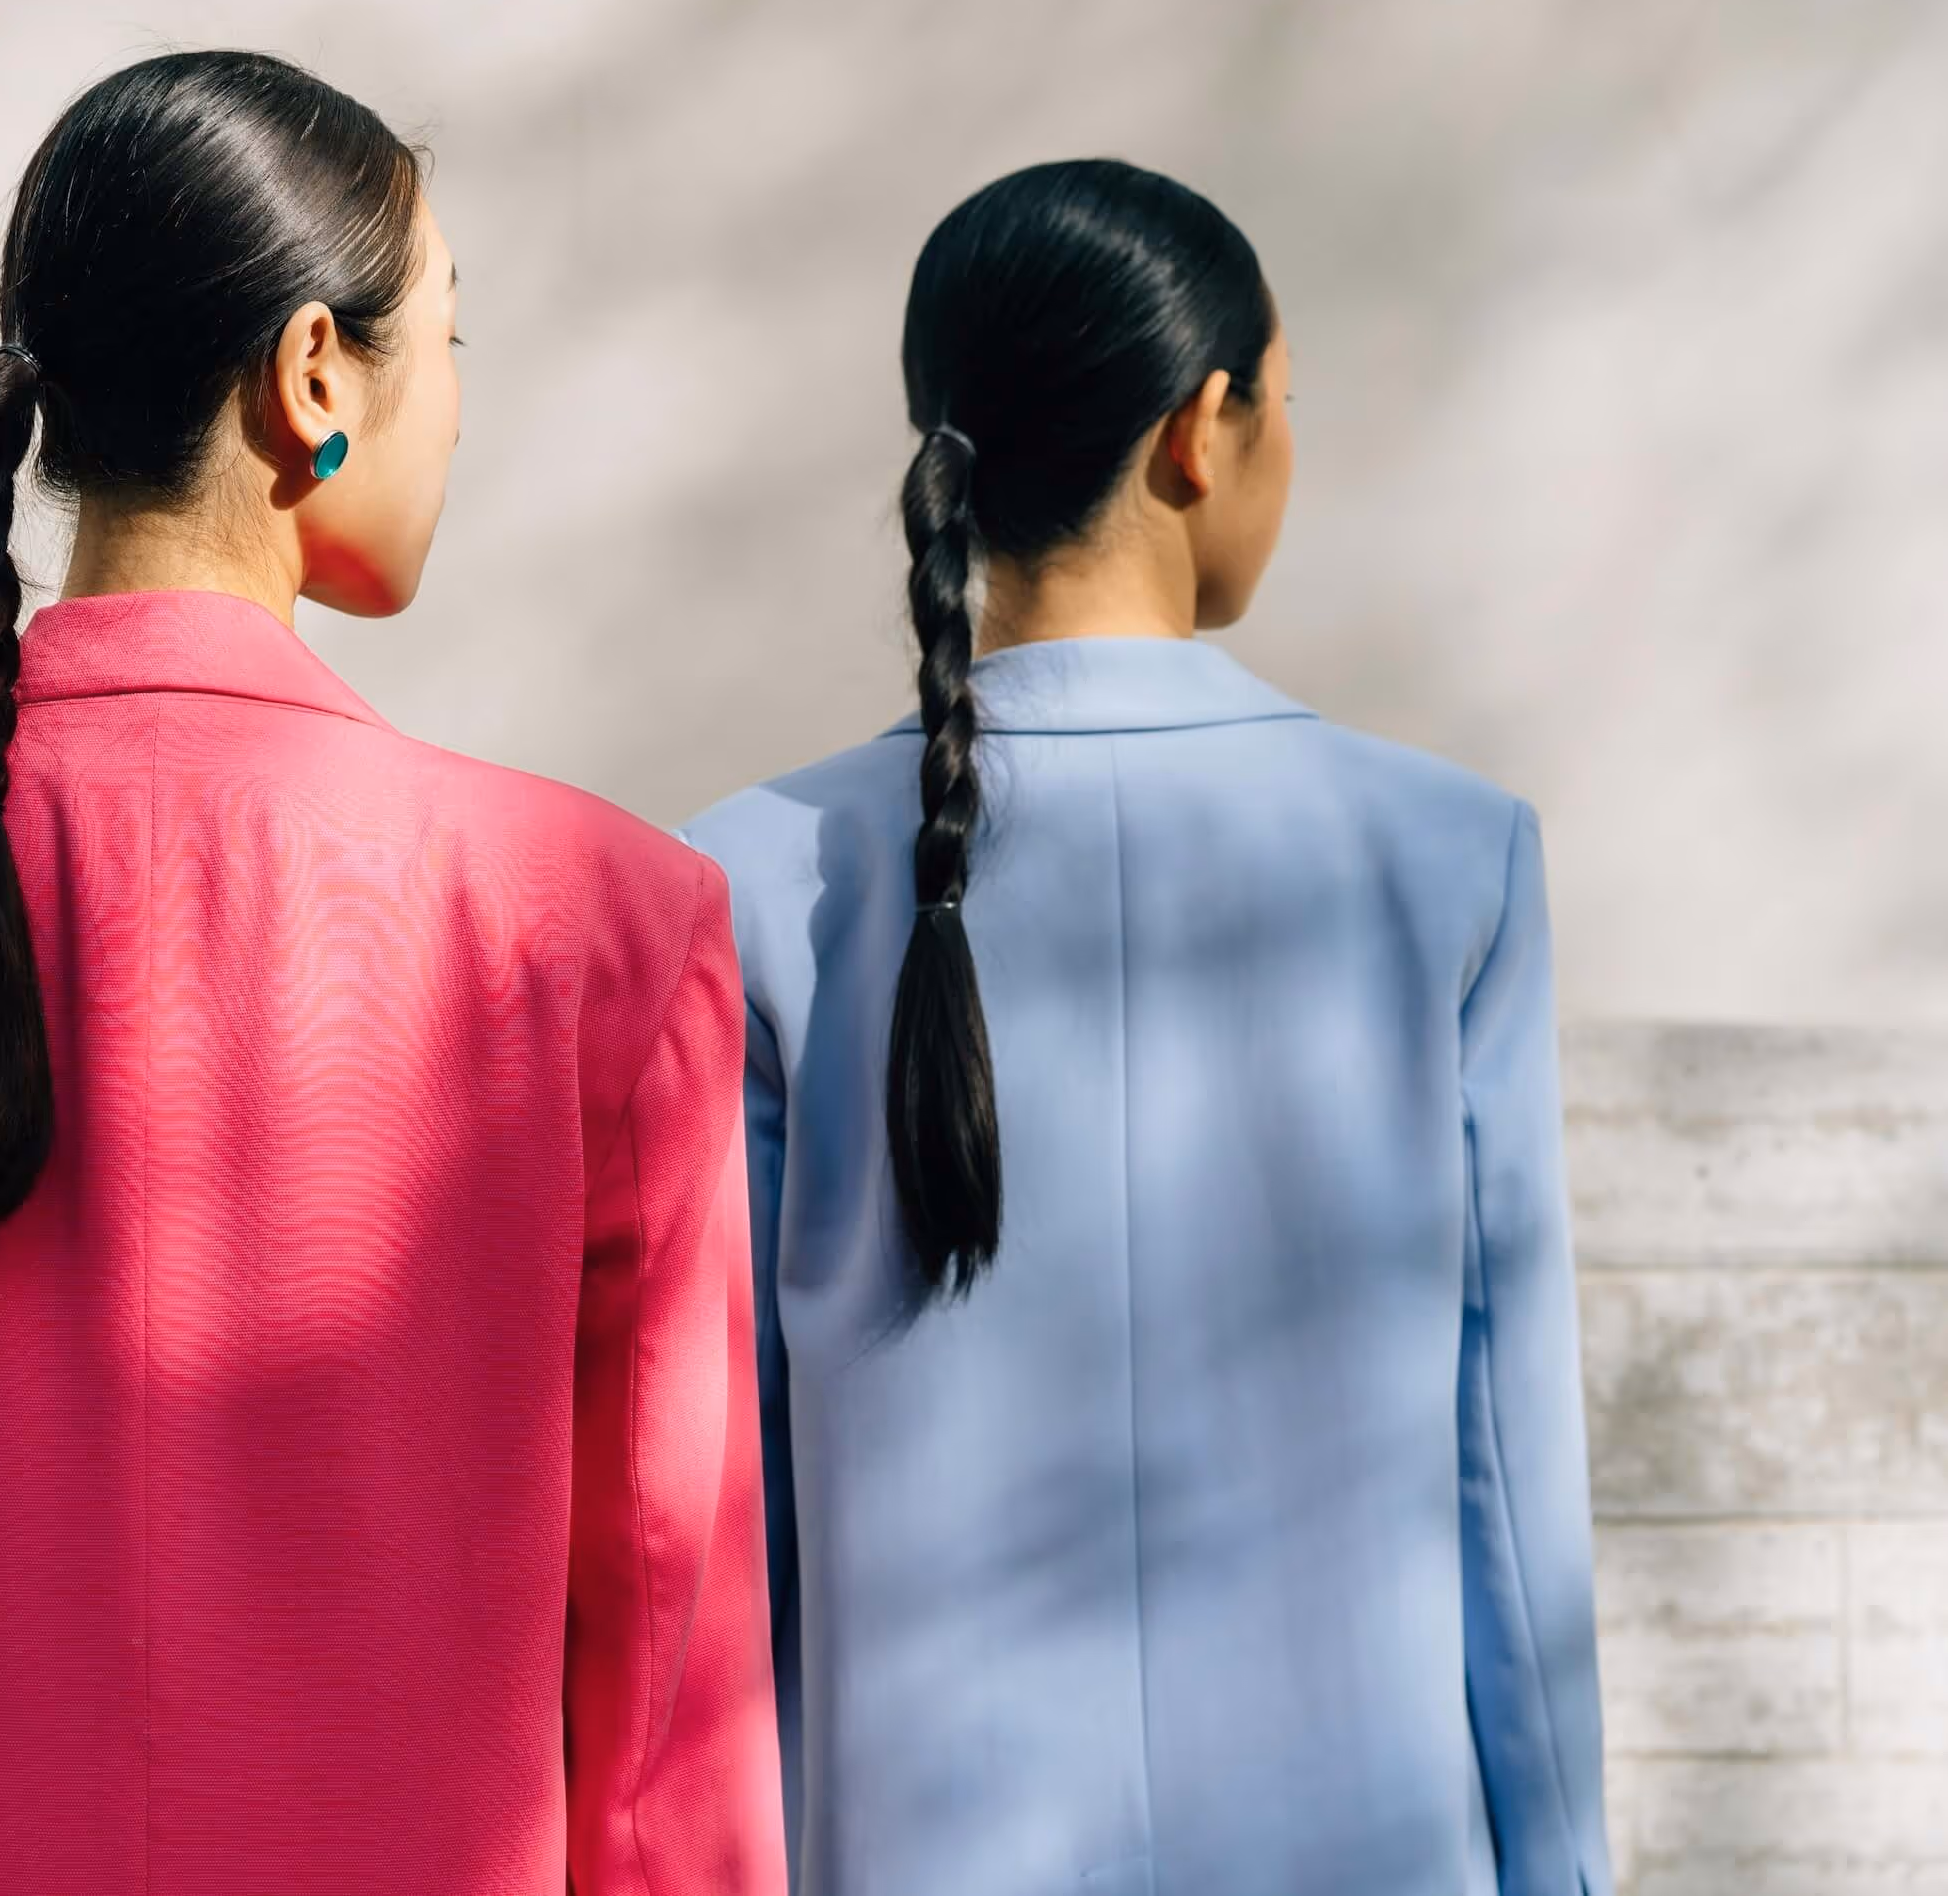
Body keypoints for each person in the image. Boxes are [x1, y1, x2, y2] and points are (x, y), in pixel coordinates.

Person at [0, 49, 784, 1893]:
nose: (460, 408)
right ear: (315, 375)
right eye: (450, 343)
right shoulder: (605, 931)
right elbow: (664, 1684)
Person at [683, 160, 1610, 1895]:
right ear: (1204, 428)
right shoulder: (1447, 857)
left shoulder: (741, 881)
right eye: (1283, 404)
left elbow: (729, 1516)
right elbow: (1507, 1479)